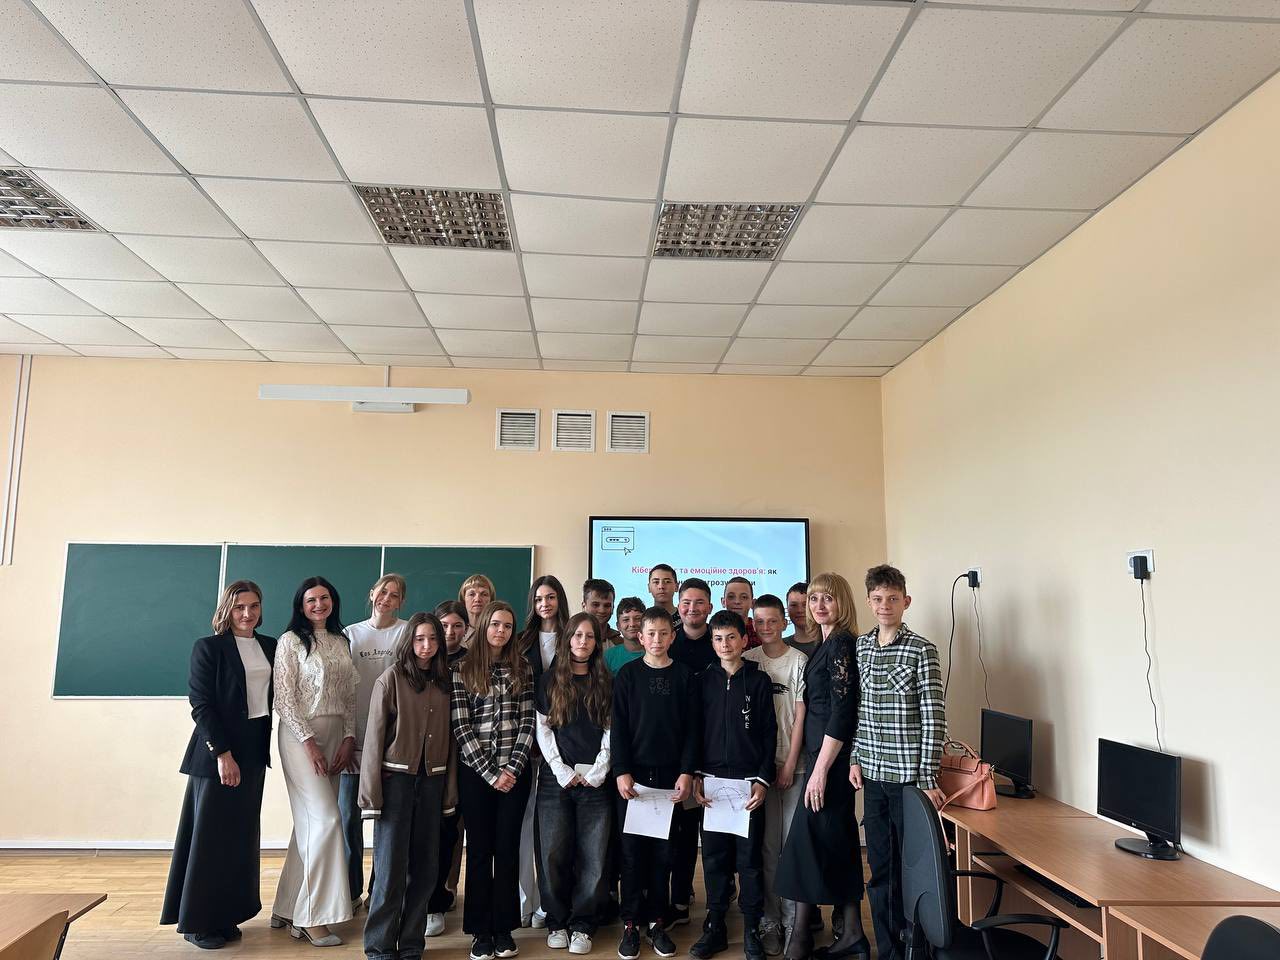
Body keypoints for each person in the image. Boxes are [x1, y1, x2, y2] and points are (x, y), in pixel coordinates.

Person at [161, 580, 277, 951]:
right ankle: (198, 923)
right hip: (218, 754)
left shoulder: (270, 646)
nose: (248, 613)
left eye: (254, 606)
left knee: (239, 839)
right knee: (209, 840)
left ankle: (225, 916)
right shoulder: (208, 647)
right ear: (227, 609)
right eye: (240, 606)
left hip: (254, 752)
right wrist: (223, 754)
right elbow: (201, 704)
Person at [850, 566, 946, 960]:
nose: (885, 605)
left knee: (916, 870)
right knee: (881, 870)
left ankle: (918, 948)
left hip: (910, 781)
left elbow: (934, 717)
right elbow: (858, 710)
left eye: (892, 598)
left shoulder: (922, 649)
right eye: (878, 599)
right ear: (869, 602)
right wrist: (855, 758)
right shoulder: (861, 647)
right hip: (873, 776)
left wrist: (928, 777)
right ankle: (889, 949)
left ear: (905, 601)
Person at [777, 573, 869, 960]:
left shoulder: (842, 643)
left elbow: (843, 711)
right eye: (813, 599)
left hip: (829, 762)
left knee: (805, 843)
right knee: (837, 842)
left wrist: (819, 770)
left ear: (841, 602)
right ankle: (852, 934)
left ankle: (801, 938)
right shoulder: (827, 643)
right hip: (823, 758)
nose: (818, 605)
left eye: (827, 598)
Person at [359, 612, 457, 960]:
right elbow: (374, 740)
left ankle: (412, 943)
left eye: (432, 638)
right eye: (419, 639)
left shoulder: (447, 682)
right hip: (396, 783)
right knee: (390, 869)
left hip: (432, 783)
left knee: (425, 869)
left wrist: (449, 793)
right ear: (409, 642)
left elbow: (453, 743)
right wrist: (371, 796)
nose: (426, 645)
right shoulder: (391, 679)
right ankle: (379, 946)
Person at [271, 576, 359, 947]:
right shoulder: (290, 641)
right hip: (299, 737)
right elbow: (284, 697)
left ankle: (287, 905)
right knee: (326, 821)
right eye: (311, 600)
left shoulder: (342, 640)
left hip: (337, 734)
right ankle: (311, 918)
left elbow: (350, 695)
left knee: (309, 823)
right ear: (301, 605)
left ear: (333, 601)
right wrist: (308, 743)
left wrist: (349, 738)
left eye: (324, 598)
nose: (319, 605)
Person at [611, 607, 699, 960]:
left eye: (664, 633)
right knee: (632, 855)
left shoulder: (685, 676)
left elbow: (693, 730)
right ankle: (631, 923)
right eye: (651, 633)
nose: (657, 639)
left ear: (672, 636)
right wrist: (621, 770)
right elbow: (618, 727)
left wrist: (687, 771)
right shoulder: (628, 675)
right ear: (640, 637)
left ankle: (657, 922)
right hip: (634, 780)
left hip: (670, 780)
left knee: (665, 854)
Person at [452, 600, 536, 960]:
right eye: (495, 624)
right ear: (484, 625)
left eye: (507, 625)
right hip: (476, 775)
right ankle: (480, 931)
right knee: (479, 851)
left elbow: (528, 721)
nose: (501, 631)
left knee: (507, 850)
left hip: (515, 773)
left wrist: (512, 769)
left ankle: (503, 928)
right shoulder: (462, 668)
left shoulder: (523, 667)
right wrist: (490, 773)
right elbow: (461, 726)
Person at [690, 611, 775, 960]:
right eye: (718, 638)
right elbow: (694, 732)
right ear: (712, 642)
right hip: (711, 784)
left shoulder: (759, 681)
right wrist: (696, 773)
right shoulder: (702, 681)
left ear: (743, 640)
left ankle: (752, 927)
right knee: (714, 859)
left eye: (730, 638)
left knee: (749, 860)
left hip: (747, 785)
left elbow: (769, 734)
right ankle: (716, 926)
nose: (724, 645)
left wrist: (762, 779)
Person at [535, 613, 614, 955]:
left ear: (597, 643)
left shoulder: (606, 681)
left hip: (596, 782)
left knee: (593, 857)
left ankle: (583, 924)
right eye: (577, 635)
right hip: (556, 781)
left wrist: (598, 771)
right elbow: (543, 730)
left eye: (590, 636)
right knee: (552, 853)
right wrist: (562, 770)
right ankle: (557, 921)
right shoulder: (549, 680)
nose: (583, 642)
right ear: (567, 639)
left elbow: (612, 730)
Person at [743, 595, 808, 956]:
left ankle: (793, 921)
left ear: (784, 622)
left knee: (791, 846)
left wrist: (789, 763)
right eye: (759, 622)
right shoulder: (749, 659)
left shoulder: (798, 661)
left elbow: (800, 718)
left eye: (772, 621)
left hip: (794, 767)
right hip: (761, 771)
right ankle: (770, 920)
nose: (766, 627)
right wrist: (766, 770)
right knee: (768, 848)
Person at [341, 573, 408, 912]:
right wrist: (346, 735)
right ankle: (349, 892)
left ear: (401, 602)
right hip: (352, 740)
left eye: (394, 595)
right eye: (383, 592)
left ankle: (378, 892)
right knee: (348, 820)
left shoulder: (407, 633)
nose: (387, 599)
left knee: (387, 824)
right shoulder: (350, 634)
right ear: (371, 594)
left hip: (390, 743)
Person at [518, 575, 572, 928]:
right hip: (525, 743)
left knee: (555, 829)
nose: (545, 604)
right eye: (539, 599)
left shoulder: (573, 636)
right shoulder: (521, 641)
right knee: (525, 823)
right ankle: (526, 901)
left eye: (550, 597)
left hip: (564, 745)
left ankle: (552, 903)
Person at [668, 577, 717, 925]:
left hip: (717, 751)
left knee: (714, 834)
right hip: (679, 752)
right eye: (686, 602)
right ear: (678, 605)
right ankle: (680, 899)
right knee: (682, 833)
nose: (692, 608)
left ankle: (719, 904)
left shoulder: (721, 640)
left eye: (699, 602)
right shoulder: (669, 642)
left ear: (710, 607)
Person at [427, 600, 472, 936]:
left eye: (458, 625)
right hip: (432, 756)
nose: (450, 632)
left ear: (467, 629)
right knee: (433, 832)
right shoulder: (426, 659)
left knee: (454, 829)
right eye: (444, 626)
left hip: (466, 756)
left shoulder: (472, 663)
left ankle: (446, 891)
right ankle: (430, 898)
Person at [604, 597, 646, 675]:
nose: (632, 624)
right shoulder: (609, 656)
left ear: (646, 623)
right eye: (626, 620)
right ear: (618, 626)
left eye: (637, 619)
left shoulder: (656, 651)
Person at [720, 577, 760, 648]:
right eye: (731, 597)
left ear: (752, 603)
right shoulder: (714, 631)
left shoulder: (761, 631)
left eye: (744, 597)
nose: (737, 602)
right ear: (723, 602)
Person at [459, 574, 496, 647]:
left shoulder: (498, 632)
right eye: (471, 594)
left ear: (491, 601)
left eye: (484, 594)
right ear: (463, 600)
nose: (477, 599)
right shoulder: (454, 631)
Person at [582, 578, 622, 645]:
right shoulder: (569, 639)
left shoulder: (620, 644)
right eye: (595, 605)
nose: (602, 610)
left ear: (613, 608)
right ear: (584, 606)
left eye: (607, 605)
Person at [785, 583, 817, 658]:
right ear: (787, 609)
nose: (799, 610)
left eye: (805, 605)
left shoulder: (828, 643)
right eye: (794, 605)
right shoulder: (781, 646)